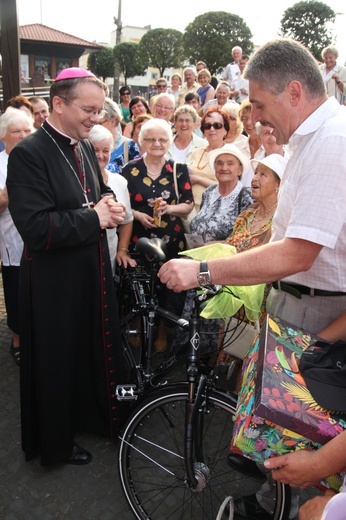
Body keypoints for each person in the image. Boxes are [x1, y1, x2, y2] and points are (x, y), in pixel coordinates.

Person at [158, 38, 346, 514]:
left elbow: (300, 251)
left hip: (316, 302)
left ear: (295, 91)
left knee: (302, 428)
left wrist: (204, 270)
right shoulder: (311, 139)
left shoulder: (331, 142)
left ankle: (289, 507)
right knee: (284, 424)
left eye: (260, 104)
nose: (257, 118)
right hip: (299, 300)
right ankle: (276, 499)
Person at [6, 67, 128, 466]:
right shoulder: (28, 154)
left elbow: (97, 188)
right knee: (58, 362)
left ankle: (91, 418)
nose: (96, 118)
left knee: (87, 350)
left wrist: (109, 202)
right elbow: (37, 228)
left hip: (89, 272)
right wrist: (95, 218)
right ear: (58, 104)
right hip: (53, 283)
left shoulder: (80, 144)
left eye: (99, 110)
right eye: (88, 110)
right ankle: (56, 444)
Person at [121, 118, 194, 336]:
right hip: (138, 238)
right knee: (139, 285)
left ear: (169, 142)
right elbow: (123, 206)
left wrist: (169, 209)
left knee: (168, 287)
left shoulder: (178, 169)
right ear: (142, 141)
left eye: (162, 139)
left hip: (171, 239)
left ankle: (162, 330)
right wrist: (137, 215)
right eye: (151, 139)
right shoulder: (129, 169)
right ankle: (137, 326)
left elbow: (188, 204)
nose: (157, 144)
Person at [0, 109, 34, 366]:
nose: (23, 136)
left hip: (42, 241)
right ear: (3, 136)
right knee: (16, 293)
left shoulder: (37, 159)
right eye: (16, 131)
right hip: (12, 243)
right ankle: (17, 340)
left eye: (27, 131)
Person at [88, 124, 135, 273]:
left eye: (105, 151)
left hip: (109, 258)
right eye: (95, 150)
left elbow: (127, 220)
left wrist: (122, 250)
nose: (100, 155)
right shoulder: (75, 181)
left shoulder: (119, 182)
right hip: (83, 260)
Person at [188, 107, 230, 214]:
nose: (212, 129)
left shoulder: (230, 155)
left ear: (225, 130)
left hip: (216, 210)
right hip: (191, 209)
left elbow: (229, 187)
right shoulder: (196, 152)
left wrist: (198, 179)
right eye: (207, 126)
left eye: (217, 126)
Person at [99, 97, 140, 173]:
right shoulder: (88, 145)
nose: (94, 126)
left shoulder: (129, 146)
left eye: (99, 123)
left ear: (113, 121)